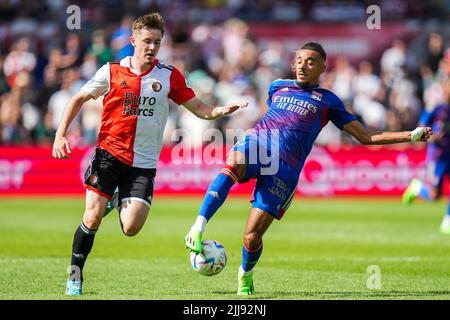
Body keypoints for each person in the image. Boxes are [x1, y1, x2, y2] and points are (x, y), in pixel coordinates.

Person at [184, 42, 432, 295]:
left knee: (251, 237)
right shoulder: (277, 87)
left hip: (286, 169)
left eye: (311, 61)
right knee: (233, 163)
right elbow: (271, 116)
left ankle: (245, 275)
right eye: (300, 60)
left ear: (323, 67)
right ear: (293, 64)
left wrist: (411, 135)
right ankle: (198, 226)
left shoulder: (328, 101)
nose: (303, 65)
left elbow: (365, 137)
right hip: (258, 144)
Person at [52, 13, 247, 296]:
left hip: (143, 165)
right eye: (146, 41)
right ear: (133, 41)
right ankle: (75, 277)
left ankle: (114, 199)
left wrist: (219, 111)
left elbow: (198, 108)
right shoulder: (111, 71)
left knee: (131, 228)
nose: (152, 47)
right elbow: (78, 98)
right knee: (92, 217)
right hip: (108, 155)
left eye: (157, 42)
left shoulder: (168, 75)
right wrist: (60, 135)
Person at [402, 76, 450, 235]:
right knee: (435, 195)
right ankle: (417, 188)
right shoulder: (437, 108)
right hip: (438, 155)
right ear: (444, 88)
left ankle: (447, 222)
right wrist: (432, 136)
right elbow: (422, 125)